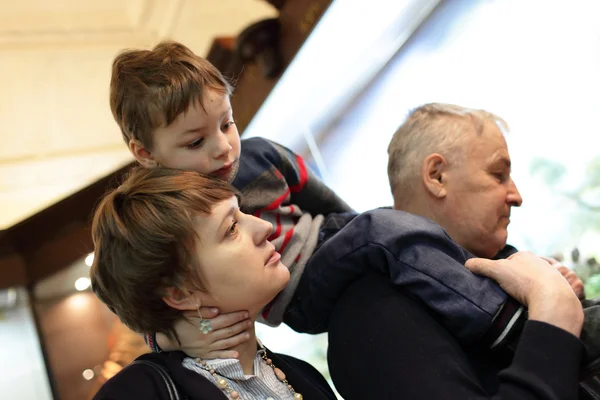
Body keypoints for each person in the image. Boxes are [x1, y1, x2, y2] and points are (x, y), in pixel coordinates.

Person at [109, 41, 596, 367]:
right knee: (383, 233)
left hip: (330, 243)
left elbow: (333, 206)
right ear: (146, 153)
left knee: (391, 233)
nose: (221, 149)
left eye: (226, 124)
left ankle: (519, 293)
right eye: (195, 143)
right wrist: (172, 343)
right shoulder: (172, 217)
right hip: (295, 294)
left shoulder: (259, 155)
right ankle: (505, 324)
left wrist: (382, 228)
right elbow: (142, 287)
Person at [322, 103, 590, 399]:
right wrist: (553, 311)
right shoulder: (371, 316)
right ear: (436, 176)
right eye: (498, 174)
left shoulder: (495, 263)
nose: (516, 196)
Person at [91, 167, 337, 400]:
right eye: (231, 228)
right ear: (180, 294)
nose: (265, 226)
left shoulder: (303, 374)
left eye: (242, 213)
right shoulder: (136, 393)